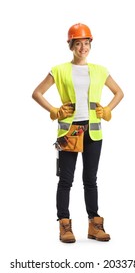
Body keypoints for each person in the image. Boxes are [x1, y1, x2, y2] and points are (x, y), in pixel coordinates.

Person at [32, 23, 124, 243]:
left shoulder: (101, 70)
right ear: (70, 45)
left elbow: (119, 92)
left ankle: (94, 224)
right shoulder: (59, 70)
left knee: (90, 179)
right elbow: (37, 93)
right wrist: (54, 110)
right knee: (66, 180)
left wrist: (108, 109)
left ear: (90, 44)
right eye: (78, 43)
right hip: (69, 132)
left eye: (86, 43)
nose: (83, 47)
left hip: (93, 132)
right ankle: (64, 225)